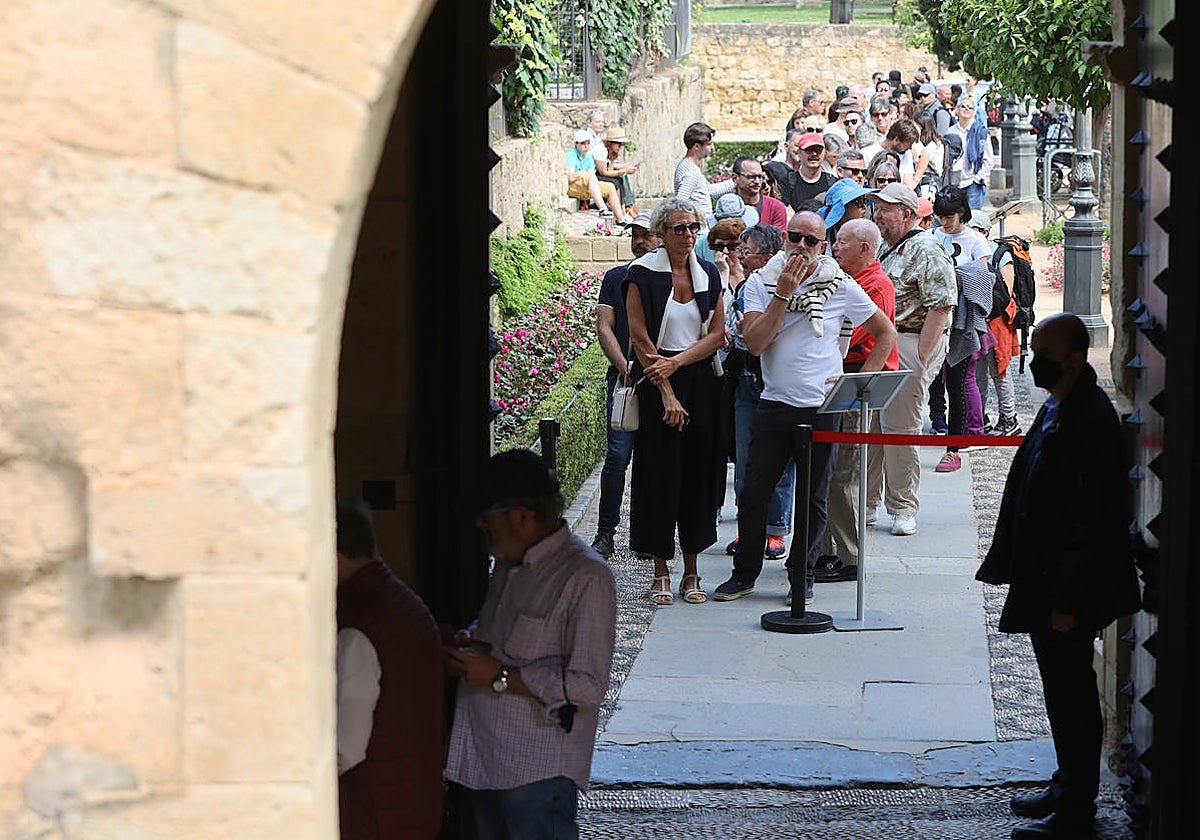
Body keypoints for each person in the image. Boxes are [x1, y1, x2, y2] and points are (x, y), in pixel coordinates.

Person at [976, 313, 1140, 840]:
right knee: (1059, 691)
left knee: (1072, 697)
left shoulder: (1089, 419)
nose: (1035, 361)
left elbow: (1092, 520)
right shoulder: (1060, 404)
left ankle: (1075, 809)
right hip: (1046, 576)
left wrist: (1067, 599)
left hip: (1068, 585)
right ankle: (1067, 783)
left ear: (1074, 357)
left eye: (1044, 353)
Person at [712, 210, 897, 606]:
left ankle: (802, 575)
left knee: (814, 498)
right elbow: (756, 343)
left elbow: (885, 332)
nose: (801, 246)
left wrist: (857, 386)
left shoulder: (839, 283)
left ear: (822, 247)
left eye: (810, 241)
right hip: (775, 403)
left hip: (821, 407)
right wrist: (783, 293)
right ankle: (744, 573)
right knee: (754, 492)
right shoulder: (761, 282)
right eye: (795, 237)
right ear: (784, 239)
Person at [444, 449, 617, 840]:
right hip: (483, 756)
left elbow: (588, 686)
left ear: (522, 516)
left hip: (536, 771)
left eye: (487, 515)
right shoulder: (510, 562)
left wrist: (501, 675)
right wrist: (471, 641)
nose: (480, 524)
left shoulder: (586, 577)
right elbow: (498, 631)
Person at [625, 198, 727, 606]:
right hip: (655, 378)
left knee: (698, 476)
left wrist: (678, 364)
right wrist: (666, 389)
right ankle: (661, 570)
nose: (688, 235)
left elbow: (717, 334)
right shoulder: (642, 274)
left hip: (698, 379)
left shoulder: (709, 274)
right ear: (662, 233)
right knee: (658, 475)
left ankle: (692, 570)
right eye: (679, 228)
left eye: (693, 228)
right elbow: (638, 336)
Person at [336, 497, 443, 840]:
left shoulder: (359, 626)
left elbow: (345, 748)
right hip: (413, 803)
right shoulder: (404, 602)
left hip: (376, 815)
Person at [814, 218, 899, 582]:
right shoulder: (848, 279)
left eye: (842, 243)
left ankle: (850, 557)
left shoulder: (874, 284)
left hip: (851, 383)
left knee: (843, 473)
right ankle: (828, 550)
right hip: (839, 381)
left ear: (865, 248)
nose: (834, 247)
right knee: (831, 472)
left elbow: (857, 336)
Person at [872, 183, 956, 536]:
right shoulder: (885, 246)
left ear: (906, 214)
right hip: (885, 341)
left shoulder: (926, 248)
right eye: (876, 208)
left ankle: (902, 506)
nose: (878, 214)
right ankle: (868, 502)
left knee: (900, 428)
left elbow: (942, 303)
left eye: (885, 209)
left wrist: (920, 356)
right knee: (872, 427)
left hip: (909, 340)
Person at [591, 210, 662, 558]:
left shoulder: (671, 278)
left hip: (660, 381)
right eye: (635, 234)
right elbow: (604, 326)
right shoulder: (616, 277)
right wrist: (625, 368)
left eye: (646, 234)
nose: (639, 241)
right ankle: (606, 532)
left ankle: (647, 535)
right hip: (624, 382)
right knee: (618, 456)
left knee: (653, 459)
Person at [723, 224, 792, 561]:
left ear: (766, 257)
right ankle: (748, 529)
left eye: (746, 251)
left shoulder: (785, 287)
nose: (739, 256)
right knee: (744, 461)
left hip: (777, 383)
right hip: (746, 381)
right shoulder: (744, 286)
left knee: (780, 464)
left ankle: (775, 530)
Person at [928, 184, 991, 450]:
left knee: (958, 382)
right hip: (934, 316)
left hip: (962, 321)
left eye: (949, 217)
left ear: (962, 212)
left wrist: (955, 277)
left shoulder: (976, 240)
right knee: (933, 378)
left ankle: (957, 442)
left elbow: (982, 278)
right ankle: (938, 421)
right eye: (941, 216)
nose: (945, 222)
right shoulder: (932, 236)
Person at [968, 209, 1022, 437]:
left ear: (985, 232)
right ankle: (980, 419)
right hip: (979, 321)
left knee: (1000, 371)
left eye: (973, 230)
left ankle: (1009, 419)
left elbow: (1005, 294)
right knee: (978, 373)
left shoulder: (1001, 256)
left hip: (998, 322)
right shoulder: (972, 251)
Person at [673, 121, 735, 223]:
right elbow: (679, 202)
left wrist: (735, 181)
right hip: (698, 228)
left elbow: (709, 191)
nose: (712, 147)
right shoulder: (691, 171)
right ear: (697, 146)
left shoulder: (689, 167)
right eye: (709, 144)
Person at [565, 129, 628, 224]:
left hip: (587, 184)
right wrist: (583, 174)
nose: (586, 146)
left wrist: (581, 173)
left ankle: (621, 219)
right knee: (592, 177)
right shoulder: (571, 155)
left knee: (610, 187)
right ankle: (603, 209)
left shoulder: (587, 156)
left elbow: (590, 173)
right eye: (583, 143)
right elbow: (570, 178)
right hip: (574, 186)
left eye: (588, 143)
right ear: (576, 144)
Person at [765, 130, 836, 213]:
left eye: (818, 150)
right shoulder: (786, 183)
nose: (814, 154)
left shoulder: (833, 183)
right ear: (799, 153)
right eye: (809, 150)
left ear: (824, 153)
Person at [946, 94, 993, 210]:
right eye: (963, 106)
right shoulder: (950, 132)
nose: (966, 109)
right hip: (954, 183)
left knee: (973, 217)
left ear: (974, 112)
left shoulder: (981, 132)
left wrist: (978, 178)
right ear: (957, 110)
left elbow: (988, 159)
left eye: (970, 107)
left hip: (973, 183)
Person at [729, 154, 788, 233]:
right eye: (751, 177)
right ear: (735, 178)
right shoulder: (727, 207)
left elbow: (777, 239)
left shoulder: (776, 207)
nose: (757, 181)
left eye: (760, 177)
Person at [594, 126, 638, 213]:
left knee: (620, 179)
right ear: (611, 143)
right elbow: (603, 172)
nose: (620, 147)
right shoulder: (601, 150)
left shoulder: (610, 151)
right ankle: (621, 209)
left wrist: (615, 160)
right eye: (618, 144)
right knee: (616, 181)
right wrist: (624, 171)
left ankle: (624, 208)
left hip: (601, 173)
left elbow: (610, 169)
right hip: (594, 175)